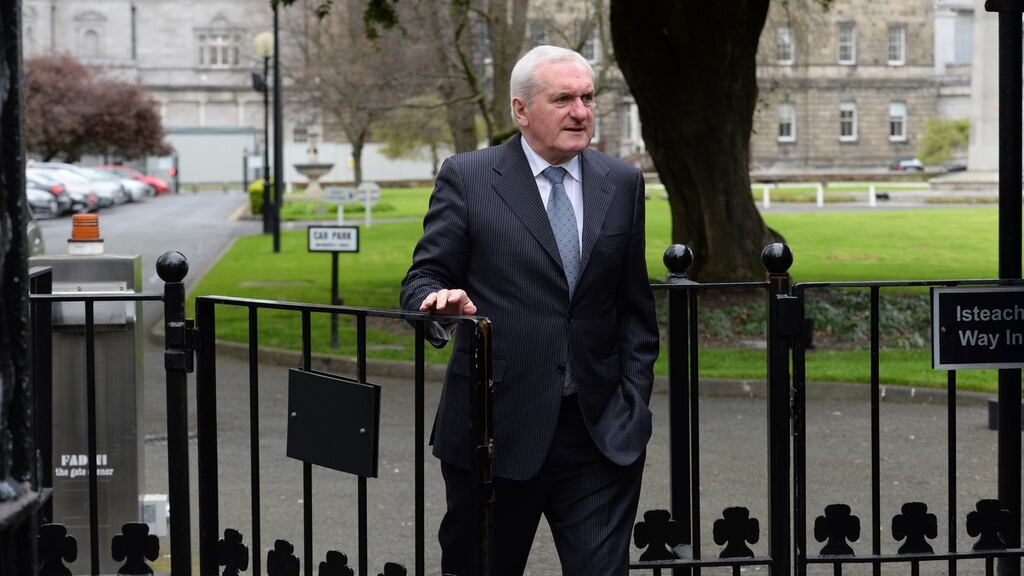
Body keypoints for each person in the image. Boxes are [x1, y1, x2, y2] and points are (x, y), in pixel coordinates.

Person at [401, 45, 659, 575]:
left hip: (598, 435)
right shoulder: (469, 178)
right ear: (521, 110)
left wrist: (632, 403)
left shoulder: (623, 183)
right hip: (495, 433)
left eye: (587, 97)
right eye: (563, 98)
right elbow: (422, 279)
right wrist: (439, 306)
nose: (581, 111)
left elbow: (635, 309)